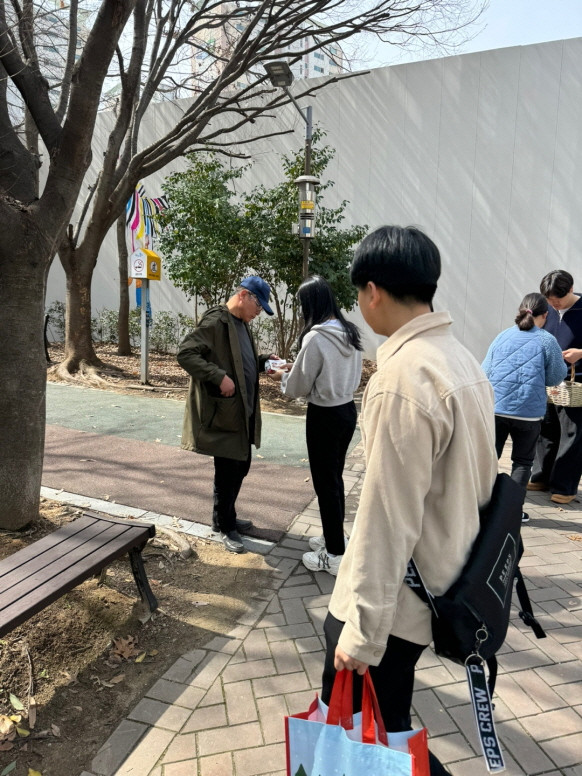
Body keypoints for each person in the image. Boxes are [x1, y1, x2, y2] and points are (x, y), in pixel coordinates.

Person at [320, 225, 498, 776]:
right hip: (438, 587)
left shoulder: (402, 377)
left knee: (372, 737)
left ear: (372, 291)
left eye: (358, 293)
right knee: (386, 724)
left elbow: (387, 517)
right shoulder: (461, 360)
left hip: (395, 601)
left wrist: (362, 630)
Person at [270, 275, 363, 576]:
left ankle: (334, 554)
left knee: (325, 483)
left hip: (324, 416)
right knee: (334, 478)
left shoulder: (316, 337)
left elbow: (297, 386)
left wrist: (283, 376)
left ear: (310, 304)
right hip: (347, 410)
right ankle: (334, 537)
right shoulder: (349, 332)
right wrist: (296, 367)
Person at [177, 276, 276, 553]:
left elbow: (240, 362)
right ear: (244, 295)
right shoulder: (216, 322)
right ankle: (225, 526)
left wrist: (264, 362)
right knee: (228, 470)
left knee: (239, 467)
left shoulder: (240, 324)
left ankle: (224, 517)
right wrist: (218, 376)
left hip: (240, 410)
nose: (259, 312)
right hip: (225, 413)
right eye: (259, 305)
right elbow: (186, 354)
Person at [482, 293, 566, 522]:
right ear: (545, 315)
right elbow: (556, 377)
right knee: (522, 462)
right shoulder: (547, 340)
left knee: (489, 458)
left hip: (497, 408)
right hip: (529, 414)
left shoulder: (502, 336)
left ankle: (482, 507)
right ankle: (512, 513)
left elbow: (485, 371)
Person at [528, 270, 582, 503]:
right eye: (549, 300)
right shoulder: (546, 308)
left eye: (558, 299)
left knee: (572, 434)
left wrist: (581, 353)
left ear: (571, 289)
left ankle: (564, 486)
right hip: (548, 378)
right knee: (546, 428)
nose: (553, 304)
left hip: (576, 381)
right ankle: (541, 477)